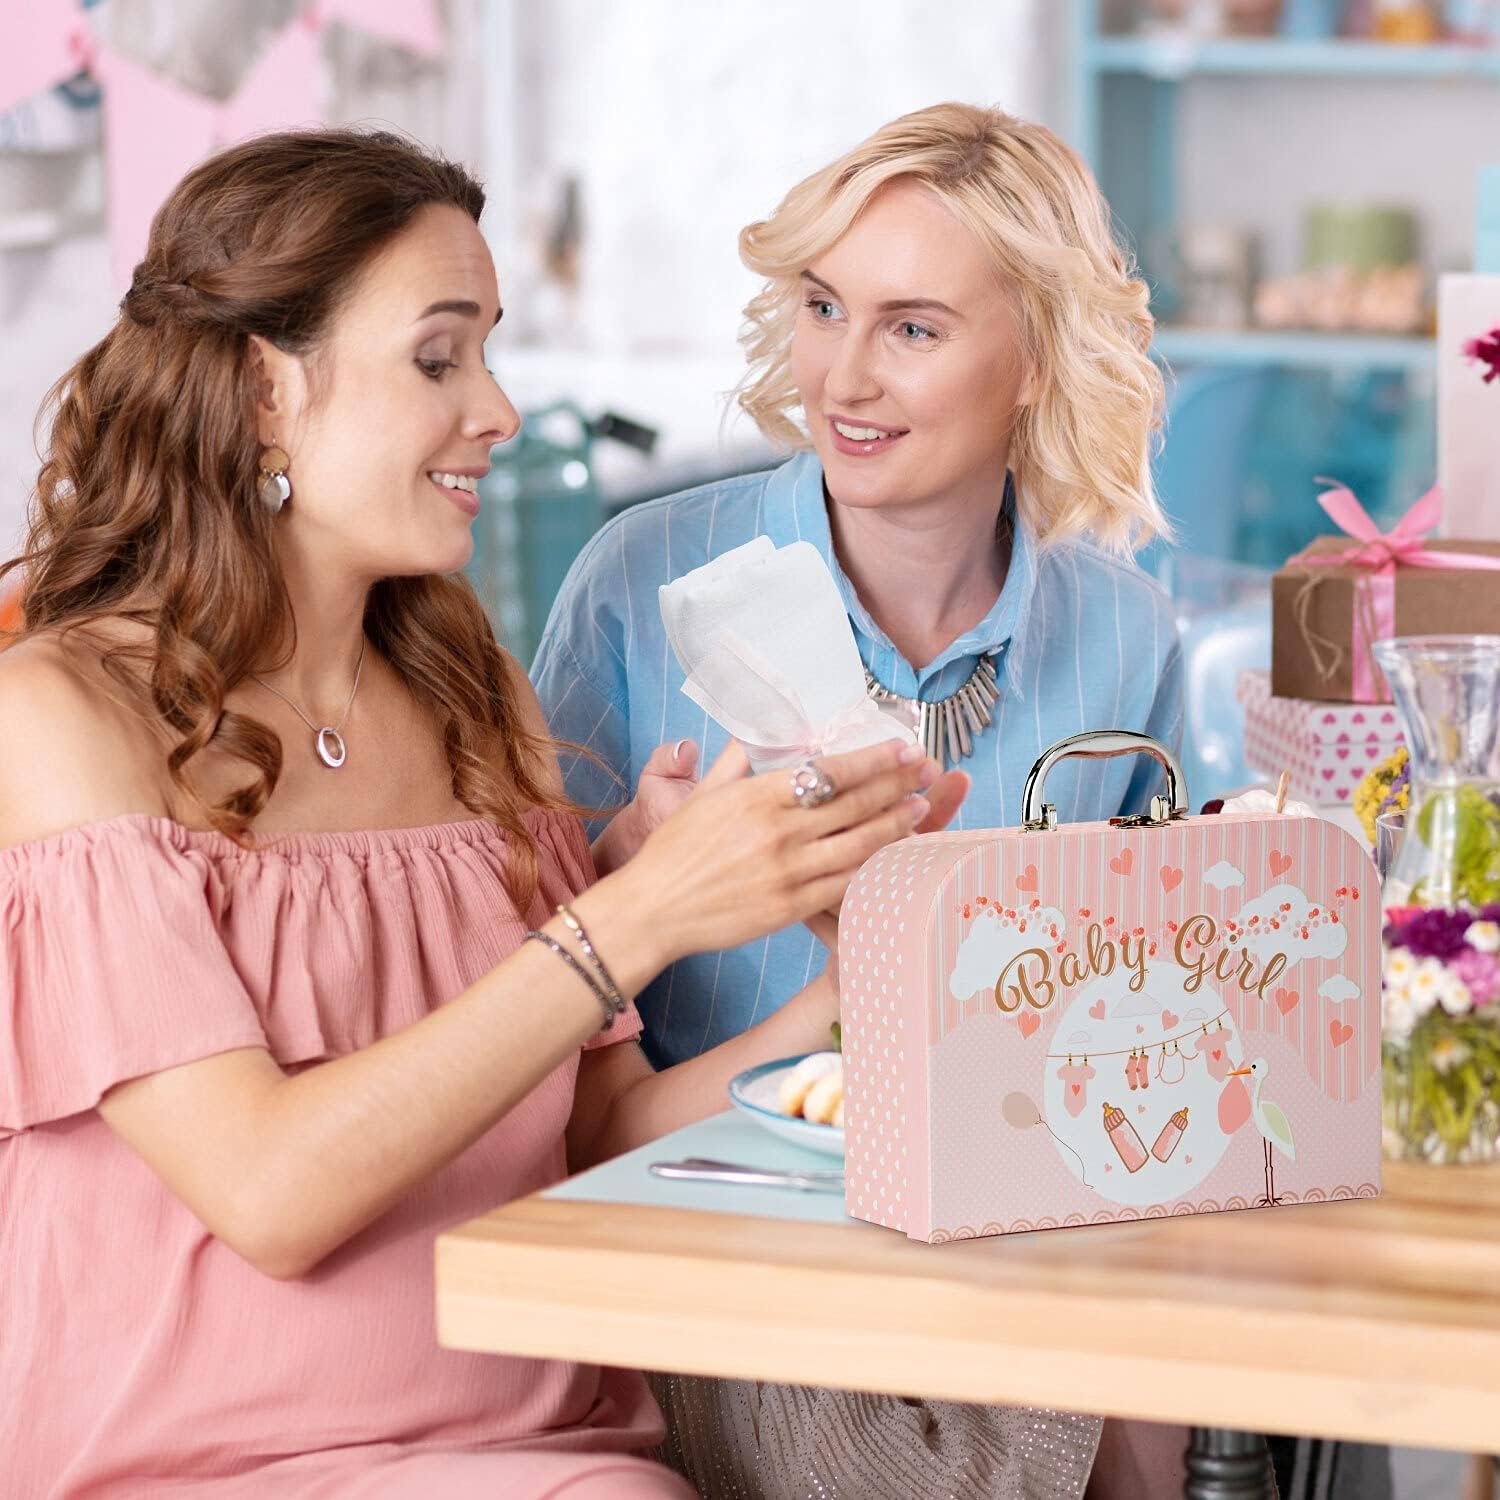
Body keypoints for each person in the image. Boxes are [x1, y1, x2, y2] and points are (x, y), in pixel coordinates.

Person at [0, 128, 945, 1500]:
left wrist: (855, 967)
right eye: (439, 358)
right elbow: (267, 1192)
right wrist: (638, 915)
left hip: (544, 1451)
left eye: (488, 353)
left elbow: (598, 1136)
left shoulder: (469, 692)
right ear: (264, 390)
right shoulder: (60, 715)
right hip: (202, 1467)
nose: (497, 410)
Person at [533, 103, 1190, 1498]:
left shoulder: (1125, 629)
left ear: (1036, 359)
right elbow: (533, 1021)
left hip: (1024, 1233)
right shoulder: (639, 583)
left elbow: (1170, 994)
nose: (843, 374)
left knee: (1190, 1388)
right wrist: (629, 865)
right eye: (825, 306)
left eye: (913, 327)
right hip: (720, 1246)